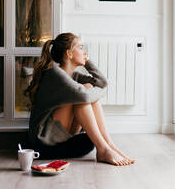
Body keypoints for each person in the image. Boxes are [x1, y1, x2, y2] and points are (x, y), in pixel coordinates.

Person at [25, 33, 135, 166]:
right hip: (43, 140)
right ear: (69, 53)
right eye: (81, 48)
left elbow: (103, 83)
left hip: (63, 137)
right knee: (82, 96)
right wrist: (93, 90)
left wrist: (87, 62)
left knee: (86, 93)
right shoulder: (54, 73)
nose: (85, 52)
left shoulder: (74, 75)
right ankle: (104, 149)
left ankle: (108, 145)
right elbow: (86, 95)